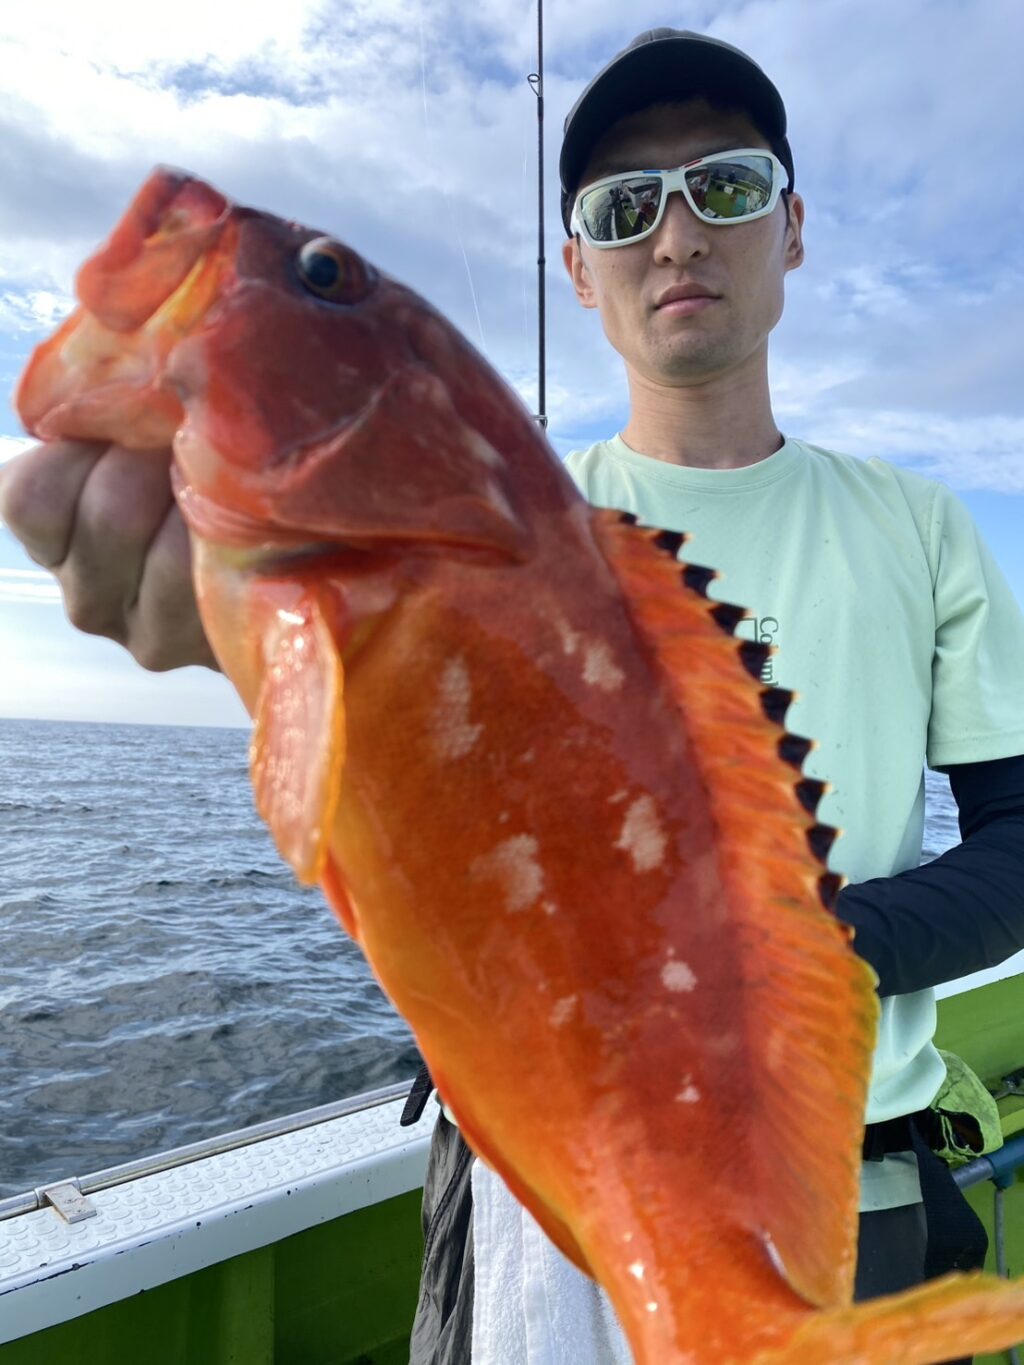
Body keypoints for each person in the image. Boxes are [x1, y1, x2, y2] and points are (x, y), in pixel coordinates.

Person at [2, 26, 1023, 1365]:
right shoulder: (514, 517)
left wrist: (777, 968)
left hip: (846, 1180)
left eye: (725, 186)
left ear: (793, 228)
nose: (676, 236)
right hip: (526, 1189)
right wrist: (246, 639)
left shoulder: (922, 526)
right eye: (622, 208)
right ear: (578, 272)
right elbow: (389, 807)